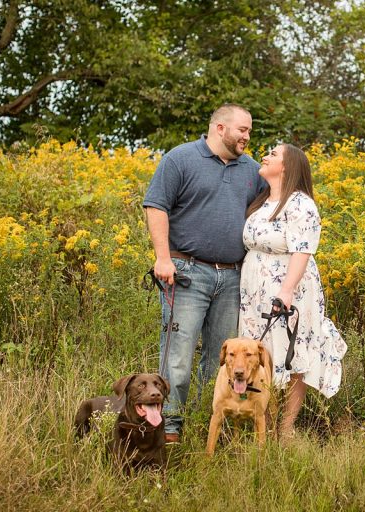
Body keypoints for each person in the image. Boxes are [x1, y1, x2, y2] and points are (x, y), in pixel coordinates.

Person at [143, 103, 266, 444]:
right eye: (243, 129)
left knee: (223, 361)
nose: (247, 136)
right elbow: (156, 206)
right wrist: (162, 258)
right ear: (220, 128)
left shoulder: (253, 171)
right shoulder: (179, 159)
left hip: (231, 277)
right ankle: (169, 428)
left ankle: (205, 423)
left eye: (250, 131)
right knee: (178, 357)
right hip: (185, 272)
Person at [238, 143, 347, 439]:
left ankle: (284, 430)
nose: (265, 156)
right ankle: (265, 425)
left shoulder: (301, 204)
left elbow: (302, 251)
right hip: (255, 291)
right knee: (261, 354)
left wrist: (286, 292)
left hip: (290, 288)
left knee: (292, 354)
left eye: (273, 154)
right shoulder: (261, 202)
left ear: (287, 166)